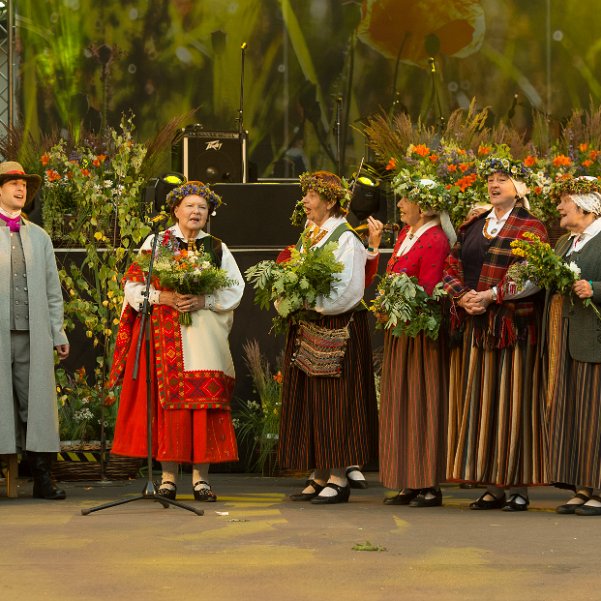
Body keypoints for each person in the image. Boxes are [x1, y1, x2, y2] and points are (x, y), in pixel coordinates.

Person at [108, 181, 244, 501]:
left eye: (202, 207)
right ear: (175, 211)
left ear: (209, 213)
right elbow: (132, 286)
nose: (196, 212)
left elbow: (234, 289)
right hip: (166, 340)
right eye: (190, 206)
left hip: (204, 342)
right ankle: (168, 478)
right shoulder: (157, 243)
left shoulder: (216, 247)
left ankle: (201, 480)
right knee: (169, 407)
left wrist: (203, 300)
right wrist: (163, 297)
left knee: (204, 406)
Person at [442, 156, 548, 512]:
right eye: (490, 178)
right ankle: (491, 484)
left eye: (502, 178)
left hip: (512, 327)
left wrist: (491, 296)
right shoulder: (474, 223)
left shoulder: (531, 227)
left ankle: (518, 486)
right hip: (477, 325)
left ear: (518, 188)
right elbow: (451, 265)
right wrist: (463, 295)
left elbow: (530, 275)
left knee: (512, 404)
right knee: (481, 403)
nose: (493, 183)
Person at [277, 170, 378, 504]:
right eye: (304, 194)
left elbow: (349, 289)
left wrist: (312, 303)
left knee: (335, 400)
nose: (304, 201)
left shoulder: (346, 239)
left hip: (337, 326)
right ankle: (319, 473)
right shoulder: (309, 234)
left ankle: (338, 477)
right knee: (312, 401)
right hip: (309, 325)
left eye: (311, 195)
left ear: (331, 200)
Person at [374, 178, 454, 507]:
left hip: (422, 335)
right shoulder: (406, 235)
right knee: (400, 403)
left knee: (422, 402)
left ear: (424, 206)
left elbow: (429, 288)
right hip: (400, 331)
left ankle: (428, 483)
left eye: (406, 199)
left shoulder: (434, 238)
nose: (401, 205)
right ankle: (407, 478)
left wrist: (402, 305)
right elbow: (394, 274)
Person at [0, 161, 69, 500]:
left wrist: (58, 332)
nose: (20, 188)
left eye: (24, 183)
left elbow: (52, 290)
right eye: (13, 182)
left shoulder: (38, 236)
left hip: (32, 334)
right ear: (0, 189)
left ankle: (43, 478)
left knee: (37, 405)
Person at [545, 176, 601, 515]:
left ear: (583, 204)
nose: (559, 208)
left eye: (564, 201)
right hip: (565, 337)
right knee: (574, 413)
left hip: (594, 338)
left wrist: (595, 287)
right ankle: (581, 485)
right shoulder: (566, 241)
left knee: (596, 414)